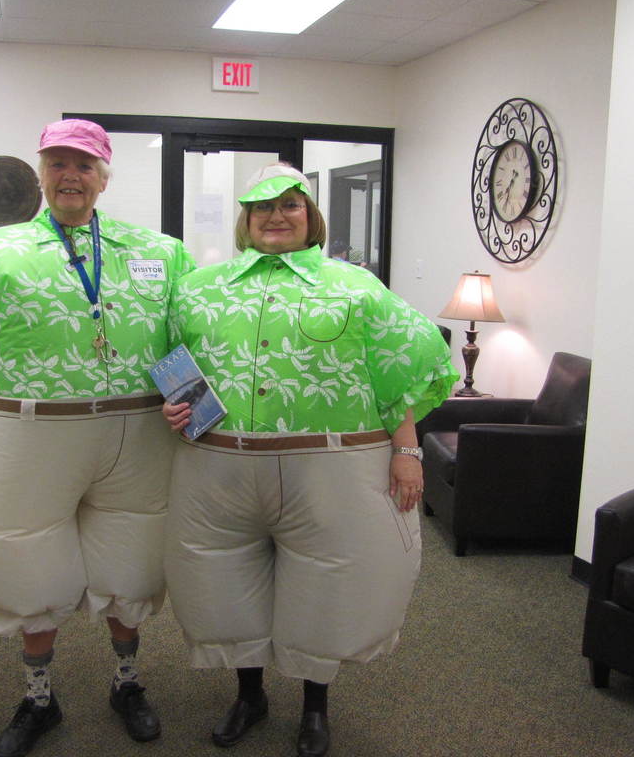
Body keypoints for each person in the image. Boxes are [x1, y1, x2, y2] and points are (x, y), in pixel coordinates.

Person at [162, 164, 458, 757]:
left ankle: (315, 708)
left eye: (291, 205)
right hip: (222, 464)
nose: (277, 215)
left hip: (329, 468)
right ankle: (250, 695)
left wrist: (406, 450)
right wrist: (181, 406)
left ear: (310, 216)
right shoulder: (197, 286)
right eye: (263, 207)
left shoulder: (354, 285)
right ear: (245, 220)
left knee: (326, 584)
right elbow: (175, 355)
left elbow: (395, 371)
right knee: (229, 584)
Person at [0, 118, 195, 757]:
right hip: (26, 431)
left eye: (84, 164)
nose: (70, 176)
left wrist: (196, 418)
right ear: (40, 173)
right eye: (57, 164)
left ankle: (127, 683)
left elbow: (180, 342)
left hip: (134, 431)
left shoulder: (159, 253)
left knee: (133, 560)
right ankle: (38, 698)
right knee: (24, 565)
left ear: (105, 175)